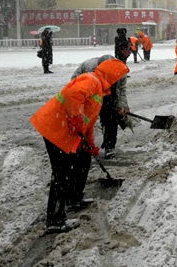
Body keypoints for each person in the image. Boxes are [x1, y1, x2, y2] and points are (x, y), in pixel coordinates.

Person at [30, 58, 129, 234]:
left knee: (83, 159)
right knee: (62, 173)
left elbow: (88, 121)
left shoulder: (101, 90)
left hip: (67, 131)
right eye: (118, 77)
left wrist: (90, 144)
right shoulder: (91, 80)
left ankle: (74, 198)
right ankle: (55, 219)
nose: (119, 81)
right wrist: (75, 117)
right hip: (55, 128)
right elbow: (72, 95)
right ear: (111, 75)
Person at [72, 55, 130, 160]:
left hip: (109, 96)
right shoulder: (87, 67)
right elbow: (74, 83)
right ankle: (80, 148)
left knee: (111, 120)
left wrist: (121, 105)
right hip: (89, 95)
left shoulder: (120, 71)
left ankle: (109, 146)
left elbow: (121, 90)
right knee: (84, 123)